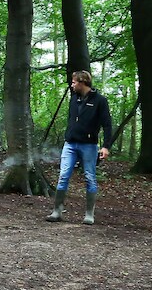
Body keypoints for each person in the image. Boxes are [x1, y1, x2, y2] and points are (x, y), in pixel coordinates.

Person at [46, 70, 113, 225]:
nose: (72, 85)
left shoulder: (100, 101)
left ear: (82, 82)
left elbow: (107, 125)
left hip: (89, 146)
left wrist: (106, 147)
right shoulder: (74, 99)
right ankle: (57, 211)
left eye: (74, 82)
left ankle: (89, 214)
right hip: (70, 144)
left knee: (90, 177)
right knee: (63, 175)